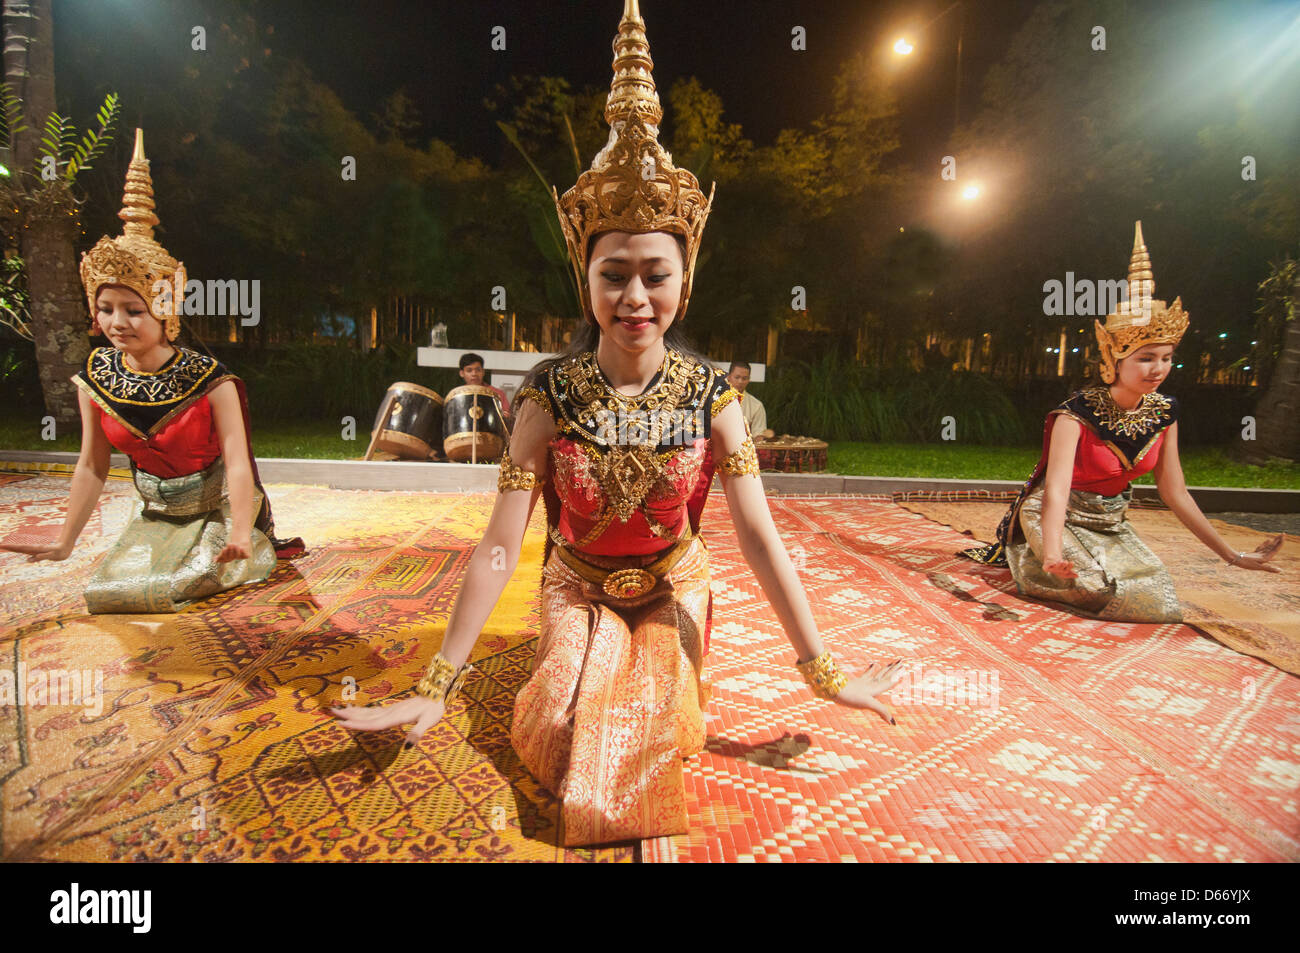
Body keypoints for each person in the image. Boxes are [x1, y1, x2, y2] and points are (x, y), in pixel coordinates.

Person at [333, 0, 902, 847]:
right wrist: (439, 678)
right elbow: (498, 543)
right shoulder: (547, 396)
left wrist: (821, 669)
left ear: (684, 279)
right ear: (586, 277)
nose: (635, 297)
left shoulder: (713, 398)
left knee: (650, 730)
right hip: (577, 581)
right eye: (615, 274)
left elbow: (756, 536)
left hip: (675, 582)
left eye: (655, 274)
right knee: (558, 732)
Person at [0, 129, 303, 612]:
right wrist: (64, 541)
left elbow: (239, 464)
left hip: (215, 515)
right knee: (108, 594)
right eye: (105, 308)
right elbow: (91, 466)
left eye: (133, 310)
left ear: (165, 309)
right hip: (157, 516)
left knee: (162, 590)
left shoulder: (211, 380)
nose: (116, 322)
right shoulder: (96, 374)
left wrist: (243, 532)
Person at [963, 222, 1281, 620]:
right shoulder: (1075, 415)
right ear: (1114, 360)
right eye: (1145, 358)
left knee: (1154, 597)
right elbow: (1055, 492)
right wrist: (1053, 552)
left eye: (1166, 358)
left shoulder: (1164, 413)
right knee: (1098, 588)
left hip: (1109, 519)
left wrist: (1231, 555)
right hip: (1056, 515)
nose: (1158, 369)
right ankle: (1030, 556)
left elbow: (1176, 493)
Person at [726, 360, 774, 440]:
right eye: (737, 377)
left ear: (749, 380)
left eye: (744, 378)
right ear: (728, 377)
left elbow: (758, 437)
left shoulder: (756, 406)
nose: (740, 381)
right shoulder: (712, 399)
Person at [458, 352, 510, 416]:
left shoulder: (497, 394)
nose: (474, 374)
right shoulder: (458, 395)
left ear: (483, 372)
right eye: (469, 370)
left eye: (478, 370)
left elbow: (507, 417)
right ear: (462, 373)